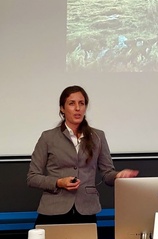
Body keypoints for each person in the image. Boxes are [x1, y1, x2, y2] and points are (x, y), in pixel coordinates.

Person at [27, 85, 139, 225]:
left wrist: (118, 176)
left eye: (82, 103)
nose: (78, 108)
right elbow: (32, 177)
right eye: (71, 103)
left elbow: (107, 174)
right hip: (53, 209)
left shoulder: (98, 136)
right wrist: (58, 182)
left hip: (86, 210)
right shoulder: (48, 137)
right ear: (62, 108)